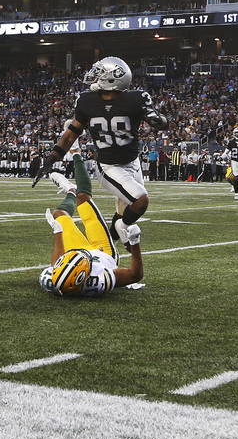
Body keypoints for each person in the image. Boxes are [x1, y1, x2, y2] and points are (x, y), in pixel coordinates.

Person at [34, 57, 167, 242]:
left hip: (132, 162)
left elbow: (162, 123)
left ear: (113, 78)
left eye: (100, 73)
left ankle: (109, 241)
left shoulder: (135, 99)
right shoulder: (87, 101)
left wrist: (157, 119)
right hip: (109, 166)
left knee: (124, 210)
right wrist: (52, 157)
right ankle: (121, 228)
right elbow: (72, 132)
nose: (95, 76)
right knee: (140, 201)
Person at [39, 153, 143, 297]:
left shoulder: (52, 278)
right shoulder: (98, 281)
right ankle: (76, 153)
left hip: (75, 249)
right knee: (83, 198)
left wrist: (57, 231)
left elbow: (56, 261)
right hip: (103, 252)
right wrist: (135, 242)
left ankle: (70, 190)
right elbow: (135, 276)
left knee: (59, 214)